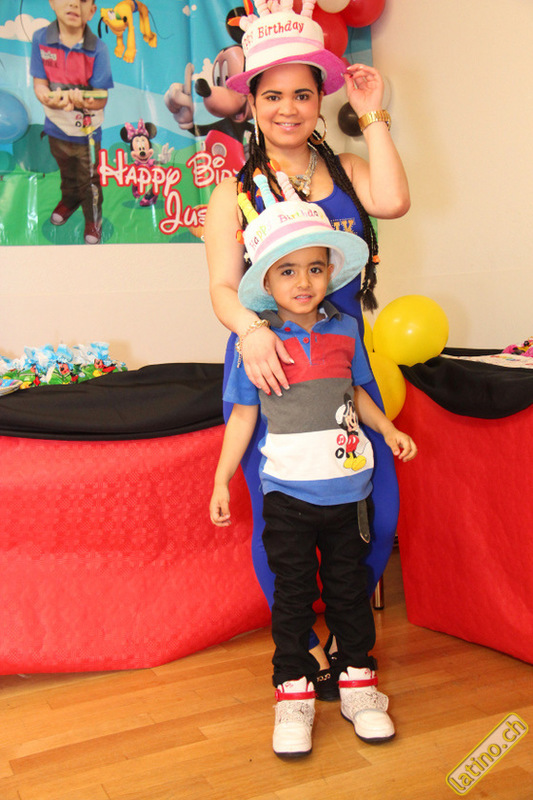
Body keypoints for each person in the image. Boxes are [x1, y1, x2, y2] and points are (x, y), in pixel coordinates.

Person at [204, 0, 409, 698]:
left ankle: (346, 638)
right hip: (271, 364)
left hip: (346, 359)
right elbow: (222, 289)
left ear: (320, 99)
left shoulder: (345, 166)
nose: (287, 109)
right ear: (251, 104)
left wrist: (372, 114)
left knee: (373, 506)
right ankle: (305, 648)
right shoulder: (232, 193)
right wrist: (252, 330)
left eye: (301, 94)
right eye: (272, 96)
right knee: (281, 521)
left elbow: (393, 202)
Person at [209, 173, 417, 758]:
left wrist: (388, 429)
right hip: (288, 498)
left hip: (350, 493)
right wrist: (222, 478)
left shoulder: (346, 330)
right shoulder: (257, 344)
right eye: (287, 271)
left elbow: (358, 394)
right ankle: (293, 692)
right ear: (265, 281)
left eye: (315, 268)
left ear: (331, 272)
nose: (303, 282)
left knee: (350, 591)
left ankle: (358, 685)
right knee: (294, 595)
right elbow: (243, 418)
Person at [31, 0, 114, 244]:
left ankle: (93, 218)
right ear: (52, 3)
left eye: (83, 0)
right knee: (67, 172)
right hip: (56, 127)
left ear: (92, 10)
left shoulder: (98, 48)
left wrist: (85, 99)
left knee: (89, 178)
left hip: (87, 132)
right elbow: (39, 83)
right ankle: (69, 201)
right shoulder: (41, 38)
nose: (73, 3)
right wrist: (48, 98)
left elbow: (102, 98)